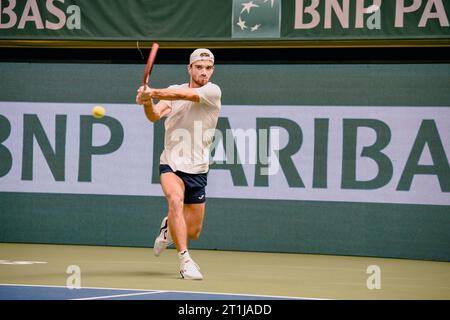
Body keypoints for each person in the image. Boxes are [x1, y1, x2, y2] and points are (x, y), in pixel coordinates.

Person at [135, 48, 221, 280]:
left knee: (193, 231)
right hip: (171, 164)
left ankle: (168, 228)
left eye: (208, 68)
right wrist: (147, 101)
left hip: (198, 168)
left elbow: (186, 97)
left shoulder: (213, 91)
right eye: (199, 67)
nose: (204, 72)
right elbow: (154, 115)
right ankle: (185, 261)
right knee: (175, 199)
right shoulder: (173, 91)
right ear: (189, 68)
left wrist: (151, 91)